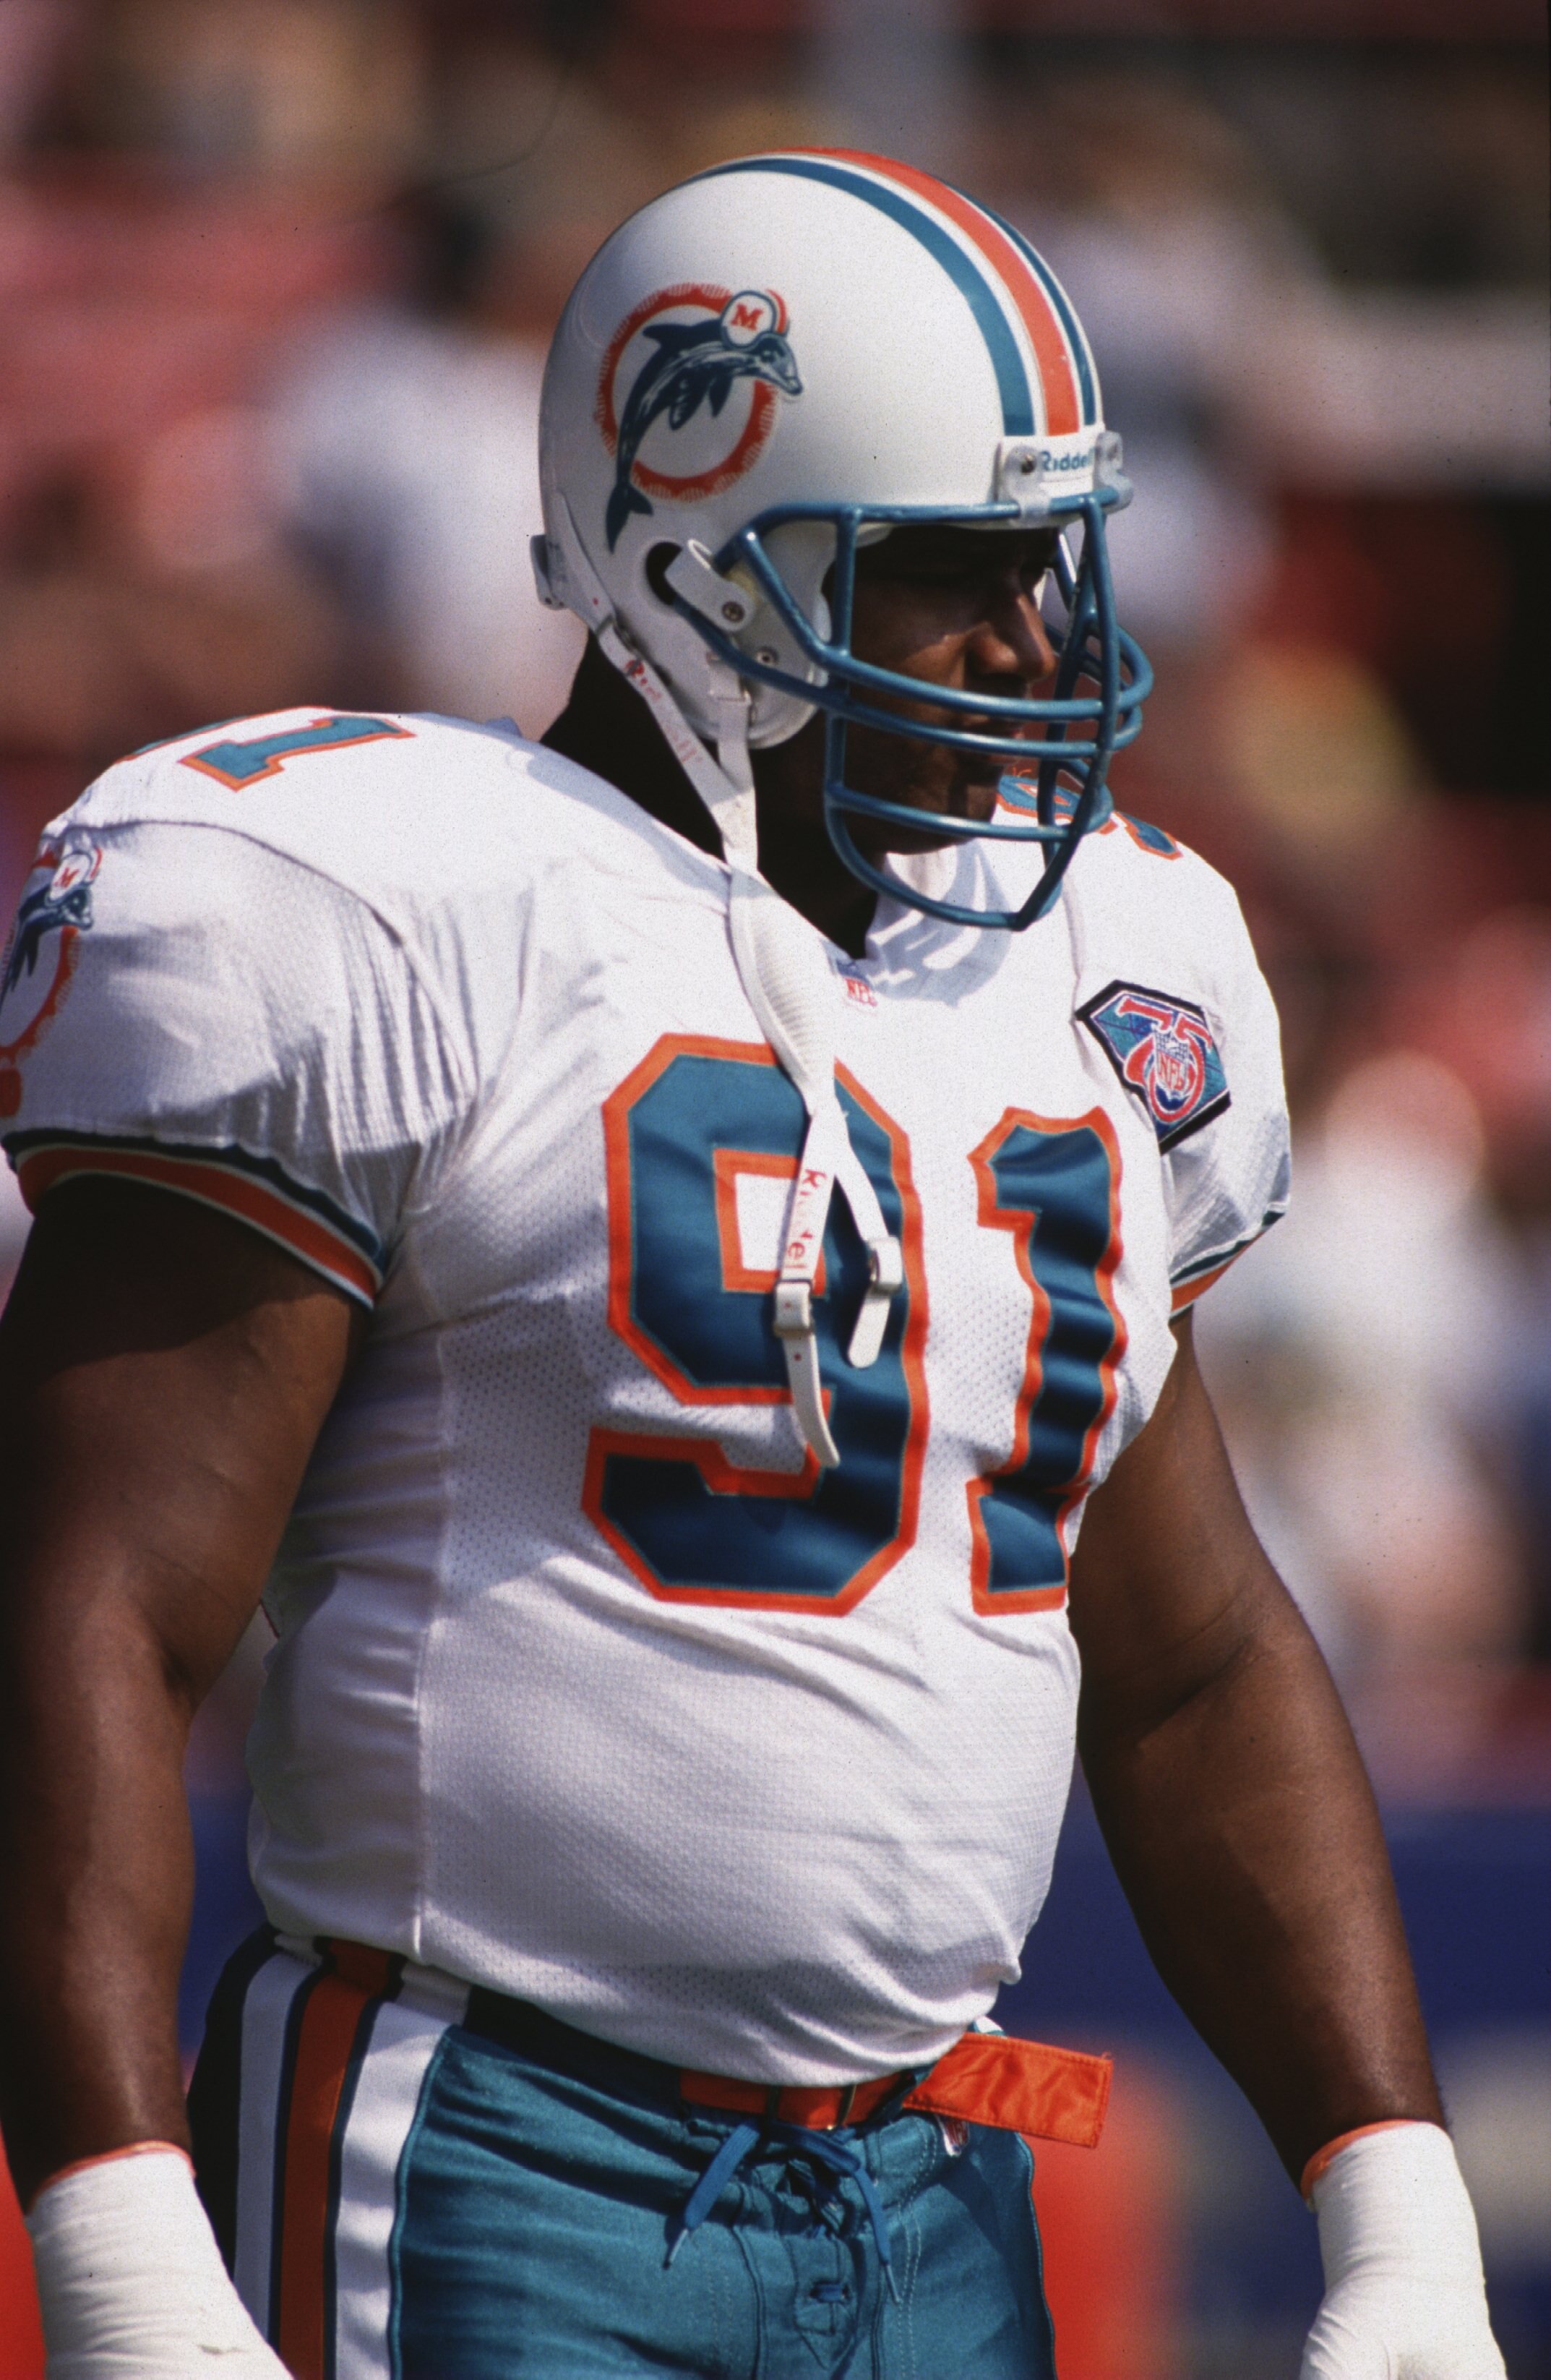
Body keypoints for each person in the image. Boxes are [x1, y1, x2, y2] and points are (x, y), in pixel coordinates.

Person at [0, 152, 1503, 2380]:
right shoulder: (400, 911)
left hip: (940, 2170)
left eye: (1056, 562)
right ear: (694, 566)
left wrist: (1394, 2208)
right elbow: (85, 1607)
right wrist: (119, 2246)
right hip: (492, 2145)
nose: (1040, 642)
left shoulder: (1113, 962)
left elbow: (1186, 1655)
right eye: (957, 573)